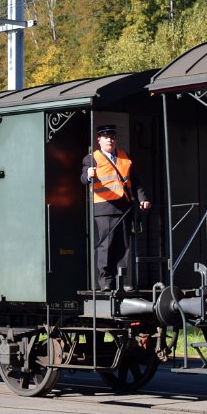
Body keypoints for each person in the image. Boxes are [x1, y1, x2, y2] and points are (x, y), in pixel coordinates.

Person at [80, 124, 150, 291]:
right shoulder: (91, 158)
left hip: (124, 207)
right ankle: (106, 282)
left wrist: (142, 198)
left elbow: (135, 181)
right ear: (99, 140)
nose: (109, 140)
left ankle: (121, 281)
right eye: (105, 137)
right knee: (106, 246)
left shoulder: (125, 157)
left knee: (123, 247)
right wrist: (87, 175)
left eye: (112, 137)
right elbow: (83, 178)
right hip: (105, 208)